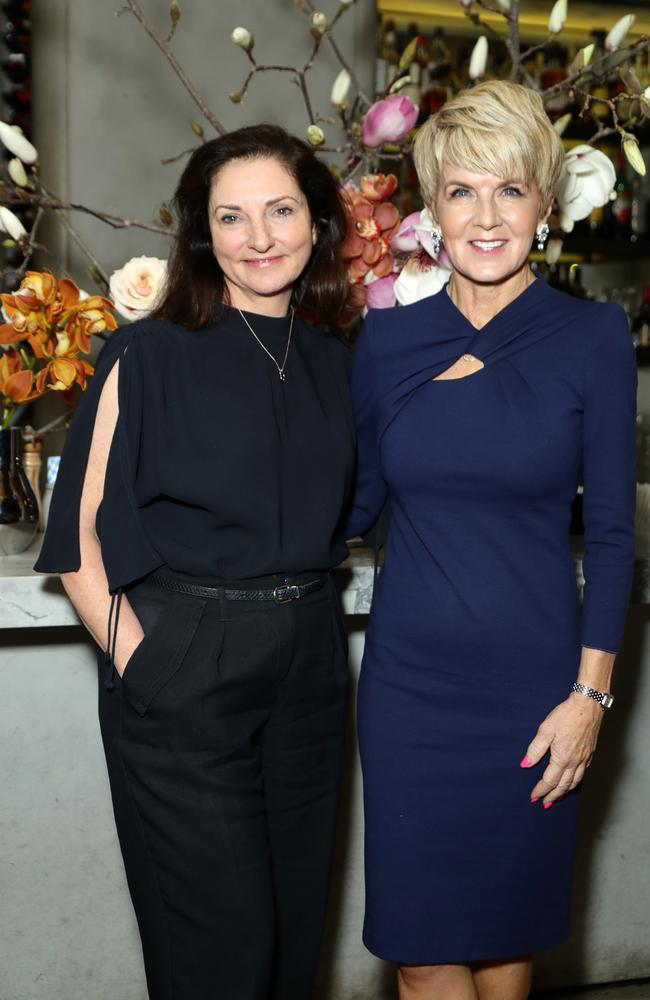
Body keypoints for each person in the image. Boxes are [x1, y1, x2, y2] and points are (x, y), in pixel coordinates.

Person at [35, 124, 355, 1000]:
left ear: (319, 220)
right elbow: (78, 535)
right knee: (223, 955)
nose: (259, 238)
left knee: (294, 953)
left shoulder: (335, 361)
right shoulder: (149, 351)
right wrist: (139, 655)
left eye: (281, 210)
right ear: (201, 236)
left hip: (312, 664)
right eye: (231, 217)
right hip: (187, 659)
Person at [347, 80, 636, 1000]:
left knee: (508, 948)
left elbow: (620, 538)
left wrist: (591, 696)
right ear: (431, 208)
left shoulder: (592, 335)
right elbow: (350, 504)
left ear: (544, 207)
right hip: (410, 694)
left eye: (509, 189)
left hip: (537, 695)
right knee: (424, 954)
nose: (485, 215)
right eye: (462, 190)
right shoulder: (387, 342)